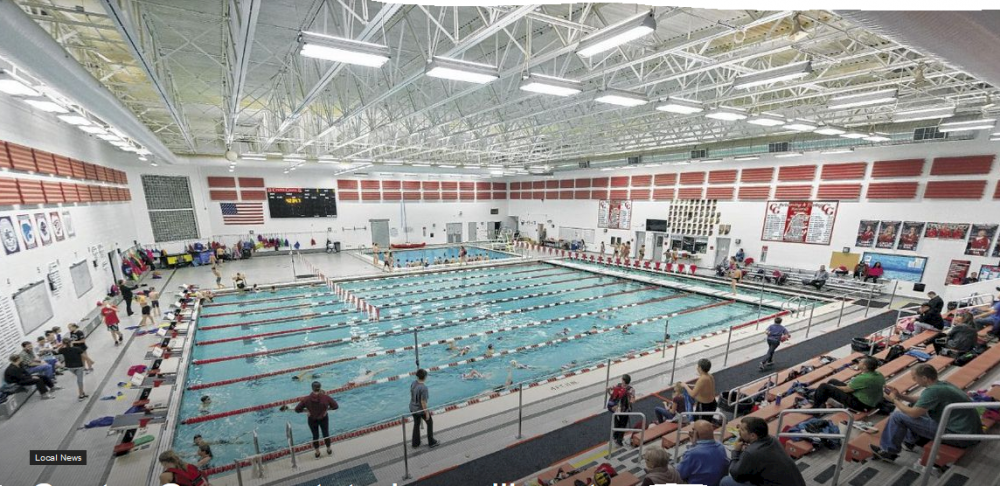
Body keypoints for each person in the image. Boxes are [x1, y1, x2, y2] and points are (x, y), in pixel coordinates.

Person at [870, 364, 981, 462]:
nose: (914, 380)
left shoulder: (933, 391)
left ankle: (888, 451)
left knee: (897, 416)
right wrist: (899, 395)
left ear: (924, 378)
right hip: (969, 432)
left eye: (915, 378)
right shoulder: (942, 384)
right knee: (915, 407)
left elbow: (913, 414)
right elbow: (922, 400)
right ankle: (910, 441)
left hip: (959, 436)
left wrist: (894, 399)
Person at [723, 416, 806, 486]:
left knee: (726, 481)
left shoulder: (751, 453)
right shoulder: (773, 440)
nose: (739, 431)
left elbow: (736, 475)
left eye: (742, 430)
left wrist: (736, 452)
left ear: (753, 436)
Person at [811, 356, 885, 411]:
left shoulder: (863, 378)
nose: (858, 362)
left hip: (862, 404)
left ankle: (815, 409)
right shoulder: (878, 374)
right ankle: (822, 401)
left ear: (864, 366)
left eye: (861, 362)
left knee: (823, 386)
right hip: (870, 399)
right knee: (832, 380)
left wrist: (832, 387)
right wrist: (832, 386)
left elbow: (846, 390)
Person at [677, 420, 730, 486]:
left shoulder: (692, 453)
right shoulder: (721, 446)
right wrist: (694, 444)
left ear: (696, 433)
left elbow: (679, 474)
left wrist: (693, 446)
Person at [294, 381, 339, 458]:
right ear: (320, 388)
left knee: (315, 436)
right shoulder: (326, 397)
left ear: (312, 388)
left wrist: (306, 411)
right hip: (323, 418)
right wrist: (326, 409)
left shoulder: (306, 399)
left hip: (312, 419)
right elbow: (335, 406)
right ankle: (328, 449)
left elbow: (297, 409)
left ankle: (317, 453)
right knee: (326, 434)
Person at [409, 369, 439, 448]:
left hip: (412, 407)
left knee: (416, 424)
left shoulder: (413, 383)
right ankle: (431, 442)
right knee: (429, 422)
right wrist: (427, 413)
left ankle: (415, 443)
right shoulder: (424, 388)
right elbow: (423, 402)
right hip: (420, 409)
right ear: (425, 377)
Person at [609, 374, 635, 447]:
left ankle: (616, 437)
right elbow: (633, 400)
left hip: (617, 409)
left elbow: (612, 395)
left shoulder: (618, 386)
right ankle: (619, 440)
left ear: (623, 381)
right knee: (622, 425)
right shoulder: (631, 389)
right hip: (625, 410)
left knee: (617, 423)